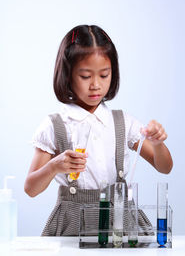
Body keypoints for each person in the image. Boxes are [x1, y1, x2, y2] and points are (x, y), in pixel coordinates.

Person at [24, 25, 173, 236]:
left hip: (120, 225)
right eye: (85, 76)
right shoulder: (55, 125)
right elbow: (30, 189)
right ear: (67, 75)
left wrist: (158, 145)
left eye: (104, 75)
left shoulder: (123, 123)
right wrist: (53, 167)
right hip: (72, 227)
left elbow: (165, 167)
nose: (95, 85)